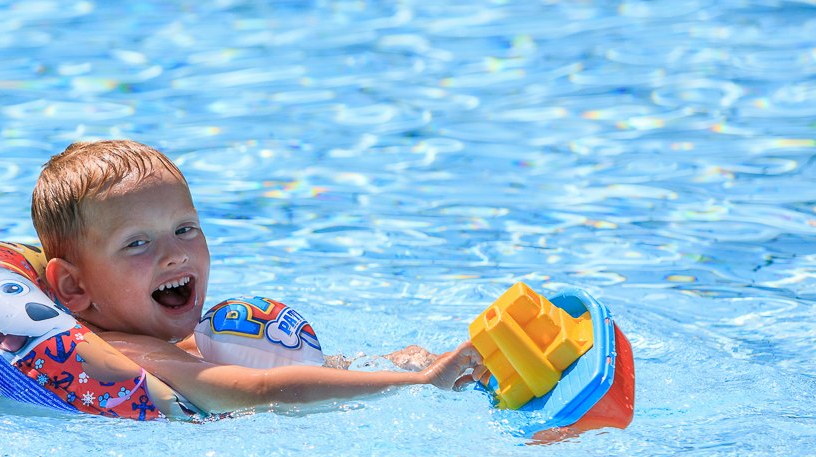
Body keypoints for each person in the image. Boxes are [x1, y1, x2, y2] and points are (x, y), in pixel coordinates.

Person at [31, 139, 482, 415]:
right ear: (74, 287)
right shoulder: (126, 353)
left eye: (185, 230)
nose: (174, 254)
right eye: (137, 243)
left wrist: (383, 363)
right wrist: (419, 384)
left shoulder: (170, 339)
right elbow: (260, 390)